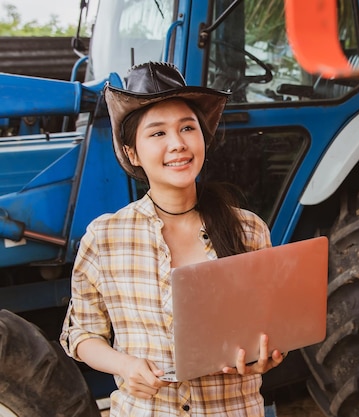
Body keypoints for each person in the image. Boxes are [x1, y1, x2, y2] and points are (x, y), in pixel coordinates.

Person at [60, 61, 284, 416]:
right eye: (158, 133)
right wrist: (124, 366)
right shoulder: (104, 238)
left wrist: (264, 358)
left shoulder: (249, 230)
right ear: (132, 153)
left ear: (203, 139)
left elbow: (269, 328)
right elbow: (82, 334)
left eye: (187, 128)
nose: (177, 144)